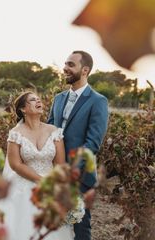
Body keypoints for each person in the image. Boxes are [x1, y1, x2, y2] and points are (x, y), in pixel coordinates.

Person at [0, 91, 73, 240]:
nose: (39, 101)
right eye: (33, 100)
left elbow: (59, 164)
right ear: (23, 109)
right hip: (23, 187)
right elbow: (16, 164)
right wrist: (41, 181)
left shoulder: (54, 131)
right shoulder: (16, 133)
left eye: (39, 99)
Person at [48, 50, 109, 240]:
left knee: (81, 227)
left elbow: (93, 143)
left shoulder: (98, 101)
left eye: (70, 65)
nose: (65, 68)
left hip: (80, 176)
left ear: (85, 70)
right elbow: (49, 131)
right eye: (65, 63)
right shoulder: (58, 99)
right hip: (53, 172)